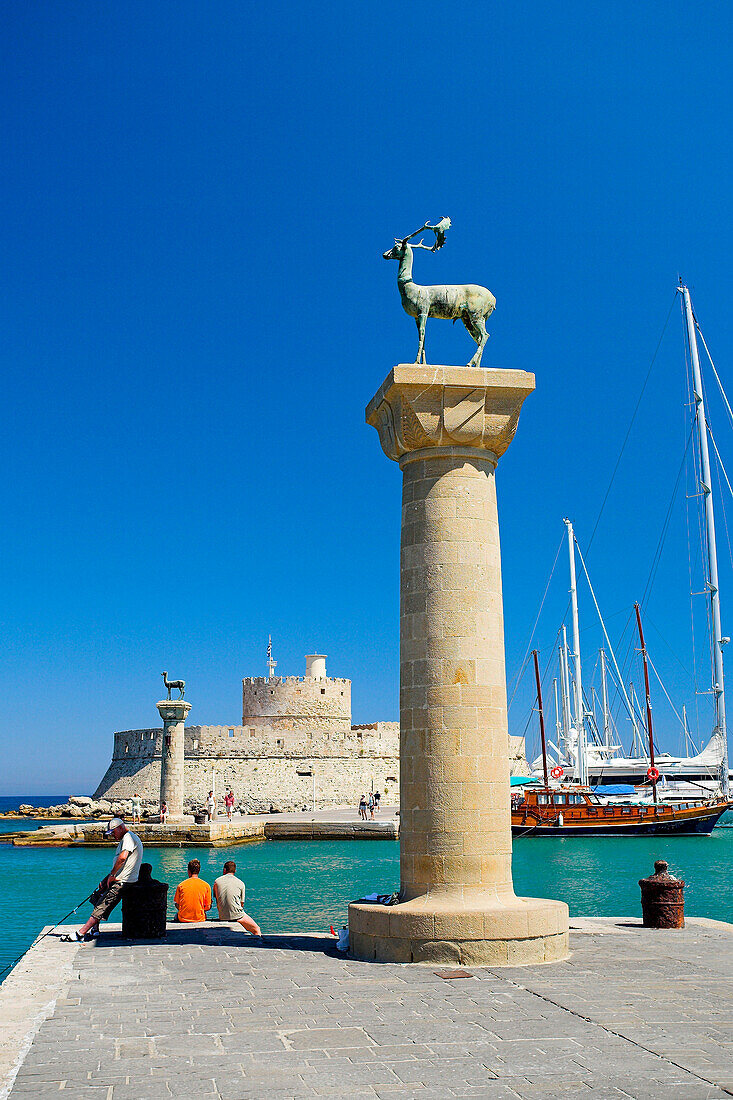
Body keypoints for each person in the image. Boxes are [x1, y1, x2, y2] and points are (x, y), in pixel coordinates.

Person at [62, 818, 143, 942]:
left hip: (123, 881)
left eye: (113, 833)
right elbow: (122, 863)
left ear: (120, 828)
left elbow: (122, 858)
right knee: (96, 896)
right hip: (118, 878)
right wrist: (106, 879)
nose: (112, 836)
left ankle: (80, 933)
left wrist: (111, 875)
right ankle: (95, 930)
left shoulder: (128, 837)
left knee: (102, 905)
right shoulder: (126, 838)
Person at [214, 860, 262, 937]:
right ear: (235, 871)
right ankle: (259, 944)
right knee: (256, 929)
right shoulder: (241, 883)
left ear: (224, 870)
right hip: (237, 916)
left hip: (222, 916)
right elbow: (241, 904)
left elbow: (217, 900)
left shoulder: (217, 881)